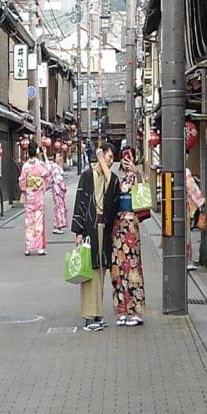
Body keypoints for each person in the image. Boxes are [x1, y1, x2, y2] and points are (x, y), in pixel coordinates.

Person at [71, 142, 119, 331]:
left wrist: (104, 163)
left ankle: (98, 314)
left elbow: (115, 184)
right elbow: (80, 202)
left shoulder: (107, 178)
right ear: (101, 155)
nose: (111, 161)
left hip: (104, 228)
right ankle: (89, 316)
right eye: (109, 157)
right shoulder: (87, 176)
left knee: (101, 270)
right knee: (89, 272)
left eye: (112, 158)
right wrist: (79, 232)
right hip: (90, 227)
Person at [110, 146, 145, 326]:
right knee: (117, 266)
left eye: (129, 158)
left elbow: (144, 196)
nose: (126, 161)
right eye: (124, 158)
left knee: (132, 265)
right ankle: (121, 309)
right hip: (117, 224)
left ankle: (136, 311)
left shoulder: (138, 177)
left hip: (131, 223)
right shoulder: (116, 178)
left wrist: (136, 172)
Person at [19, 141, 51, 256]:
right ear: (37, 151)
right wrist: (45, 155)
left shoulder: (25, 166)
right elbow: (48, 171)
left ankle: (28, 247)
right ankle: (39, 248)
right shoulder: (40, 165)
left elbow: (22, 180)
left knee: (29, 221)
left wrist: (24, 190)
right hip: (38, 196)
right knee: (38, 221)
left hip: (29, 196)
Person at [185, 167, 206, 271]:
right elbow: (192, 188)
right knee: (185, 234)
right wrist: (201, 202)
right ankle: (187, 260)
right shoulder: (185, 171)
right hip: (183, 207)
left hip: (170, 206)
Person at [49, 151, 68, 234]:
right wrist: (63, 187)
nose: (59, 158)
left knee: (58, 207)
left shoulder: (56, 167)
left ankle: (57, 225)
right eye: (57, 157)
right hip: (57, 189)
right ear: (54, 158)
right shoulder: (55, 168)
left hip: (57, 188)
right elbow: (58, 180)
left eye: (59, 156)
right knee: (59, 207)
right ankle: (58, 225)